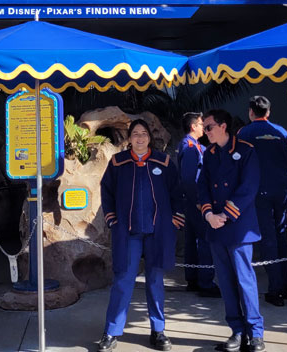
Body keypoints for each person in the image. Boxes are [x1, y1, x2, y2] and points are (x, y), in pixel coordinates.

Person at [97, 119, 184, 352]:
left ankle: (158, 330)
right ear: (129, 138)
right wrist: (112, 220)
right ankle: (112, 331)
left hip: (157, 232)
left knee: (155, 282)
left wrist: (174, 221)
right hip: (127, 233)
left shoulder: (164, 162)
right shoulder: (118, 163)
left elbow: (177, 193)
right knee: (123, 281)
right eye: (135, 134)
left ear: (149, 137)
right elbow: (106, 192)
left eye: (143, 133)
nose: (139, 138)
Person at [197, 109, 265, 352]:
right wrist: (208, 215)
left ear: (223, 126)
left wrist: (225, 215)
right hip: (216, 228)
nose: (205, 132)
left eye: (209, 127)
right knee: (225, 282)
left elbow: (249, 188)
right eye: (204, 128)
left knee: (245, 281)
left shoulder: (246, 151)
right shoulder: (209, 154)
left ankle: (255, 333)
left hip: (238, 227)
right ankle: (236, 331)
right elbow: (201, 186)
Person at [238, 96, 287, 306]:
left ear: (251, 112)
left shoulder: (244, 133)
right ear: (268, 112)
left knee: (268, 238)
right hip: (281, 190)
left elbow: (239, 164)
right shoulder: (281, 132)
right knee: (280, 234)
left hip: (258, 191)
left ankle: (276, 289)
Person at [177, 111, 219, 296]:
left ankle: (193, 278)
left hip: (190, 201)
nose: (204, 127)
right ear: (193, 126)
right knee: (204, 240)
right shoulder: (191, 148)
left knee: (192, 242)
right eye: (202, 124)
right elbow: (188, 179)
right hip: (196, 202)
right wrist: (199, 202)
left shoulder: (192, 146)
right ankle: (205, 282)